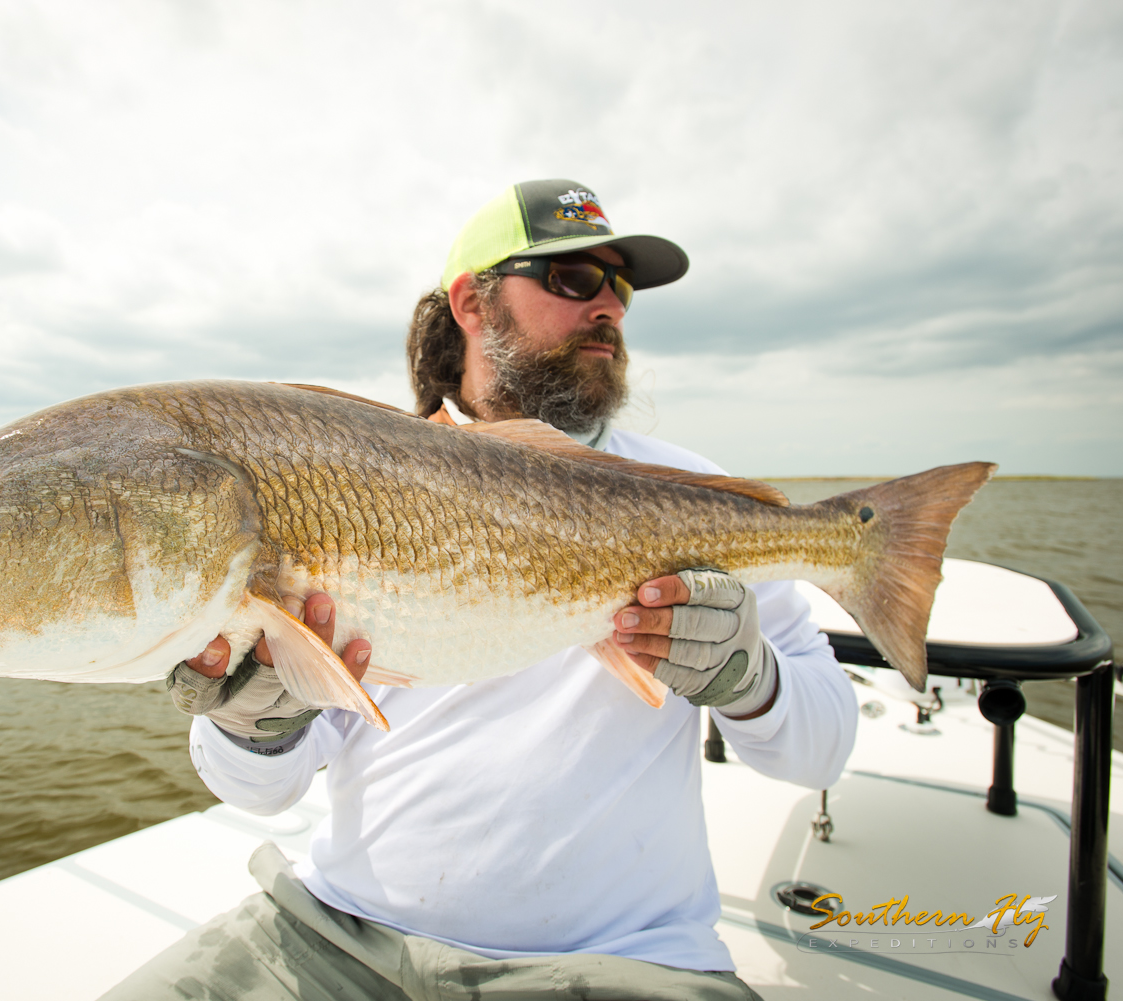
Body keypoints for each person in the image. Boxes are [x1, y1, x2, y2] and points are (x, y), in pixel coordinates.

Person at [100, 180, 857, 1000]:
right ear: (470, 301)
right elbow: (264, 792)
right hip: (339, 934)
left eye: (621, 286)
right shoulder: (338, 478)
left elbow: (823, 749)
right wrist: (253, 721)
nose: (608, 306)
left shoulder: (700, 496)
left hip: (625, 960)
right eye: (573, 280)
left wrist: (749, 677)